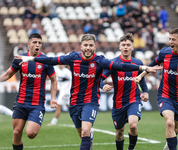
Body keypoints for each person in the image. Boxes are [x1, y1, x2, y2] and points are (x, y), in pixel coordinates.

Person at [15, 34, 162, 150]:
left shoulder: (100, 61)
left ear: (95, 47)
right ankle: (88, 138)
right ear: (81, 46)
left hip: (90, 102)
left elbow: (122, 66)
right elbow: (52, 60)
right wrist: (31, 58)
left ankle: (90, 136)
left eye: (91, 45)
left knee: (85, 131)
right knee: (83, 135)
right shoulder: (73, 58)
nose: (88, 48)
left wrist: (143, 68)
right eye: (85, 45)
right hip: (74, 103)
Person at [134, 28, 178, 150]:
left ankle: (169, 143)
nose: (170, 42)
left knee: (175, 127)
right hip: (165, 94)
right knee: (169, 123)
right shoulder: (165, 52)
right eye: (169, 39)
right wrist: (141, 75)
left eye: (173, 39)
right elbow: (152, 65)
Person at [0, 33, 58, 150]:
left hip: (37, 104)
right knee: (16, 133)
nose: (37, 45)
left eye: (39, 43)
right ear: (29, 44)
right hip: (21, 102)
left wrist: (52, 98)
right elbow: (7, 75)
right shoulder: (19, 59)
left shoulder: (45, 60)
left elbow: (54, 79)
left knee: (31, 133)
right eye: (34, 42)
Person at [100, 33, 149, 150]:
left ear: (132, 47)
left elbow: (141, 80)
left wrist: (145, 92)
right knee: (119, 132)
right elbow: (100, 78)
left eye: (128, 45)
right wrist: (102, 86)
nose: (126, 47)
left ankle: (131, 148)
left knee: (133, 125)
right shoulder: (113, 63)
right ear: (119, 47)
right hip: (118, 103)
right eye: (123, 45)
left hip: (134, 100)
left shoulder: (138, 63)